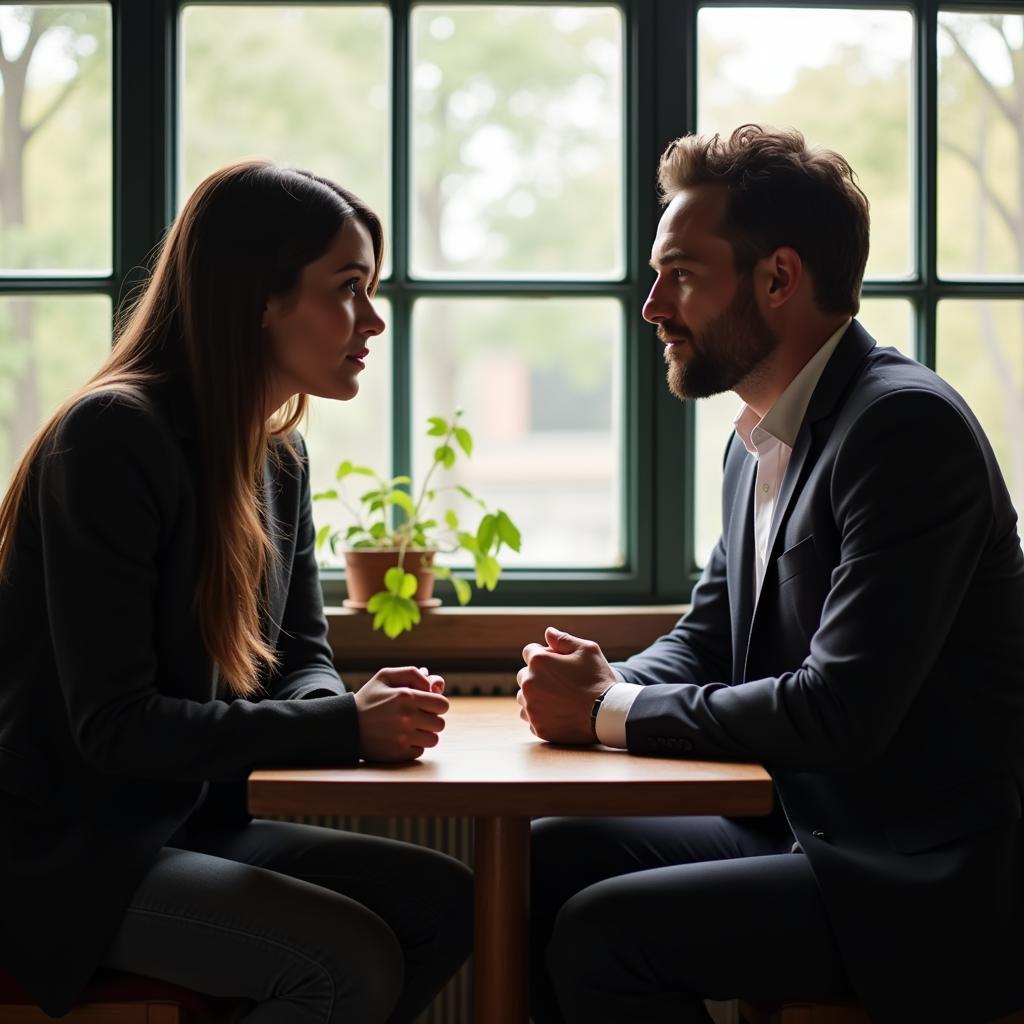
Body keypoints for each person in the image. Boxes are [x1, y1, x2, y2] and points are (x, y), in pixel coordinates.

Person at [518, 125, 1024, 1024]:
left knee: (606, 934)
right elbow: (713, 637)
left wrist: (605, 710)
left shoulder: (905, 432)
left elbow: (841, 712)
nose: (651, 307)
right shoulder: (758, 441)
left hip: (922, 879)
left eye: (679, 274)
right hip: (810, 828)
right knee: (556, 849)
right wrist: (602, 679)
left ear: (779, 278)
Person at [0, 161, 472, 1023]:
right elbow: (114, 729)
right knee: (346, 961)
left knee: (449, 902)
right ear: (259, 297)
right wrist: (341, 727)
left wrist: (347, 708)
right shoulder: (109, 439)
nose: (372, 321)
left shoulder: (276, 457)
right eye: (349, 289)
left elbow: (301, 656)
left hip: (183, 826)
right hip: (63, 857)